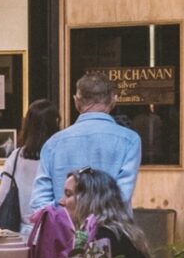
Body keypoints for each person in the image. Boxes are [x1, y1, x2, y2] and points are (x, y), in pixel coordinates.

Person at [30, 73, 142, 210]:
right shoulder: (129, 140)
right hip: (108, 229)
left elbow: (39, 201)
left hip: (64, 228)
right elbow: (121, 197)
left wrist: (63, 218)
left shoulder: (53, 143)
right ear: (113, 100)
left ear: (76, 101)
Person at [60, 167, 152, 258]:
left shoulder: (102, 237)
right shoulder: (123, 232)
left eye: (68, 194)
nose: (62, 202)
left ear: (88, 199)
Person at [0, 99, 60, 236]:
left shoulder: (16, 156)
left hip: (22, 232)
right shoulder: (60, 155)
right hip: (54, 230)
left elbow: (2, 197)